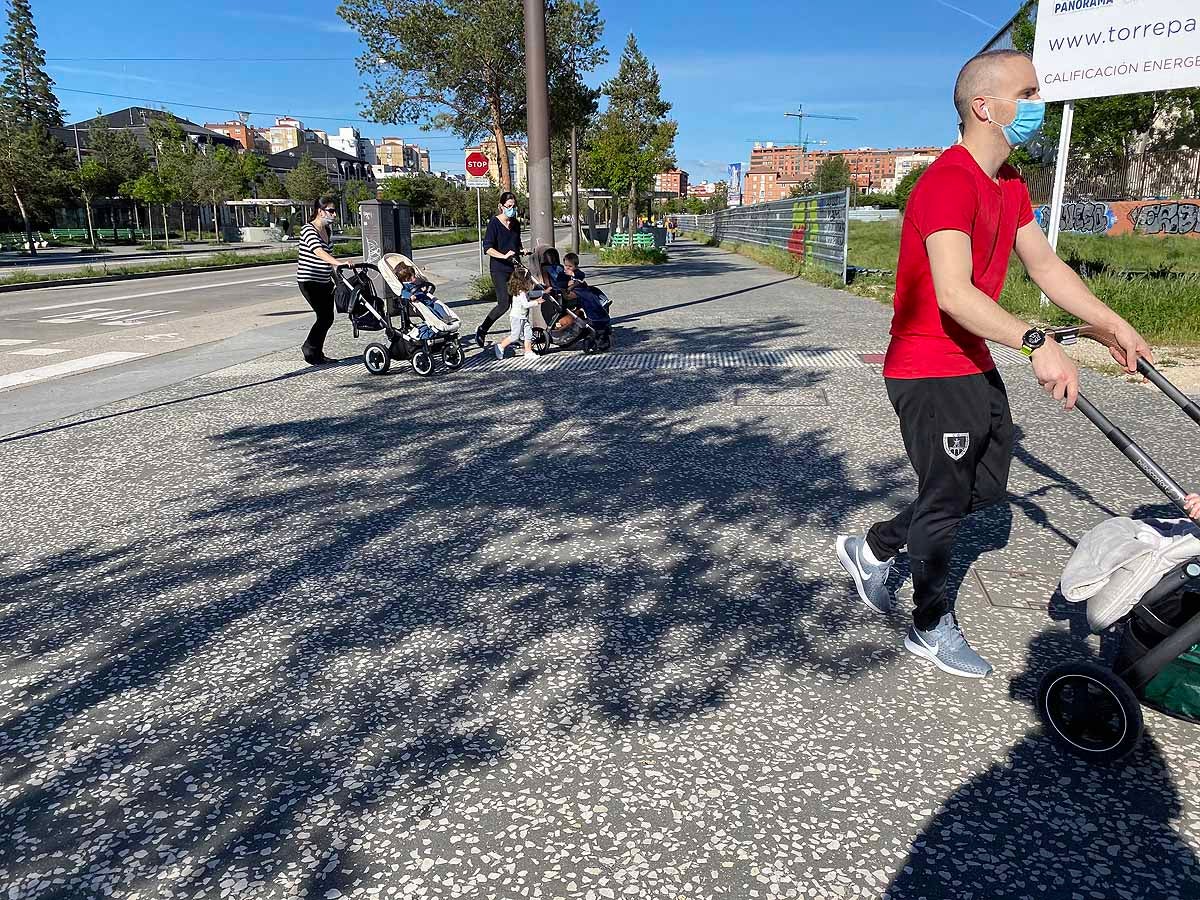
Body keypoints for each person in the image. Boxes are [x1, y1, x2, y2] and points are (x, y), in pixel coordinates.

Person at [834, 48, 1160, 679]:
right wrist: (1037, 342)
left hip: (971, 359)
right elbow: (954, 294)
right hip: (928, 366)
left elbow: (1045, 266)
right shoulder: (947, 182)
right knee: (947, 500)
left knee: (980, 490)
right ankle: (927, 626)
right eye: (1029, 94)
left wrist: (1109, 324)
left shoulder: (1007, 185)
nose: (1038, 105)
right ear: (986, 106)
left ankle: (872, 549)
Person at [296, 195, 351, 365]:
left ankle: (315, 352)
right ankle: (310, 350)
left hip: (325, 281)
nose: (334, 215)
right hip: (309, 281)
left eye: (335, 211)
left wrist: (338, 277)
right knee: (324, 316)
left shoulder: (327, 231)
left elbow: (328, 257)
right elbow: (319, 252)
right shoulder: (308, 229)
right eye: (331, 211)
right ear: (320, 211)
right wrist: (340, 263)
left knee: (327, 318)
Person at [475, 191, 523, 347]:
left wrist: (522, 251)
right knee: (504, 304)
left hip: (514, 268)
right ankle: (482, 329)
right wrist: (503, 256)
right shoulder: (494, 223)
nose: (512, 209)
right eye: (509, 206)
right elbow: (487, 248)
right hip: (499, 268)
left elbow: (516, 244)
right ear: (501, 207)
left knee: (519, 303)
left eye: (514, 206)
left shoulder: (515, 224)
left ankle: (516, 335)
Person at [493, 267, 540, 360]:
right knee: (515, 336)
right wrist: (537, 302)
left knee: (528, 333)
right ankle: (500, 346)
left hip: (523, 317)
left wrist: (543, 292)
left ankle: (528, 351)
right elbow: (525, 304)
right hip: (517, 317)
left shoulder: (523, 291)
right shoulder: (520, 293)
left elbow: (531, 294)